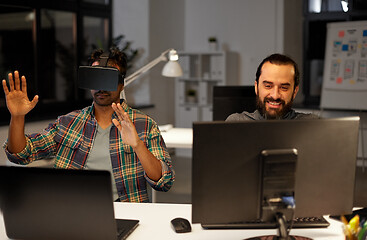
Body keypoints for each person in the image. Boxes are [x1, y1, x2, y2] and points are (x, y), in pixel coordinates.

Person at [2, 47, 175, 203]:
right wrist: (17, 117)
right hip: (73, 209)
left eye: (108, 77)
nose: (101, 87)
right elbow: (20, 155)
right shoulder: (68, 123)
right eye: (96, 77)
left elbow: (164, 181)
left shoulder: (144, 124)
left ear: (121, 83)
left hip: (127, 211)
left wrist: (138, 145)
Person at [226, 53, 318, 121]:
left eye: (284, 88)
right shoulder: (237, 123)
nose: (275, 96)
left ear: (294, 92)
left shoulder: (311, 125)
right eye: (268, 86)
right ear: (256, 87)